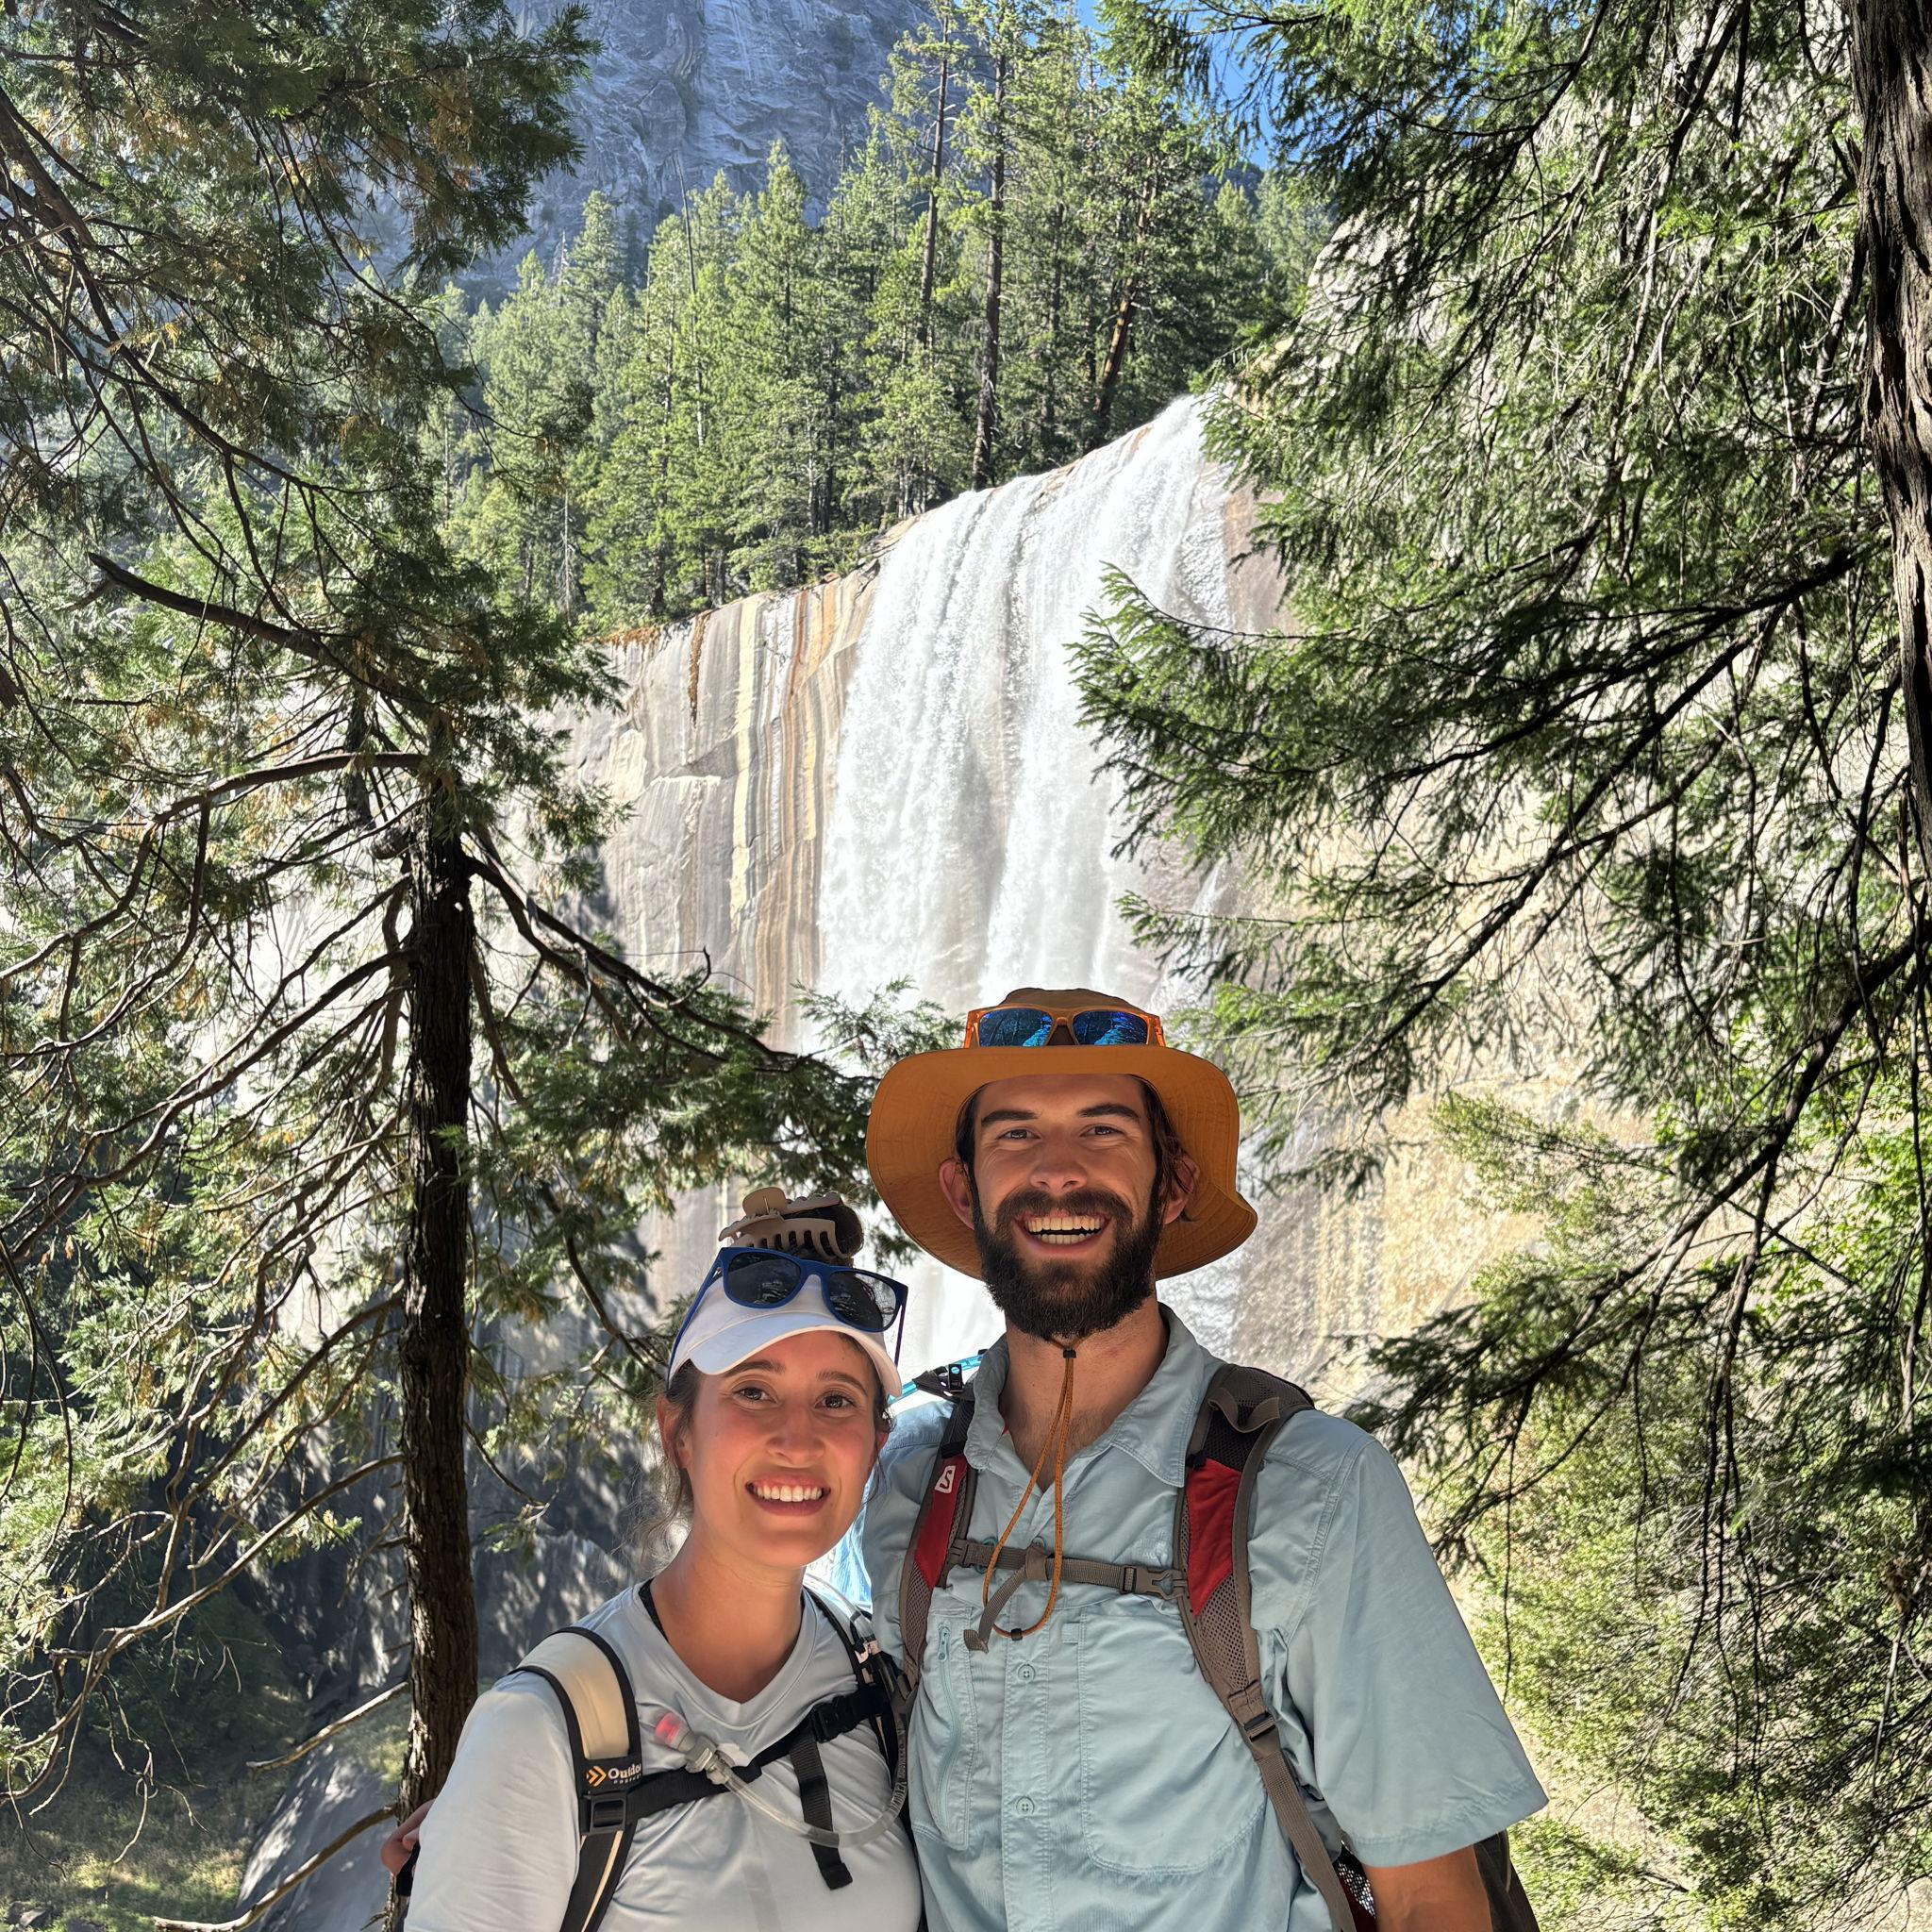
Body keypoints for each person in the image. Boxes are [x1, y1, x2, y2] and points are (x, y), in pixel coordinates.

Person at [855, 987, 1549, 1932]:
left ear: (1170, 1185)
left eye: (1103, 1131)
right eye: (1014, 1135)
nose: (1058, 1171)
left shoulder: (1311, 1489)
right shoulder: (905, 1478)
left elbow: (1432, 1899)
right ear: (960, 1188)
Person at [386, 1190, 924, 1932]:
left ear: (875, 1444)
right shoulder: (539, 1736)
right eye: (754, 1391)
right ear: (678, 1430)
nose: (799, 1440)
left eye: (836, 1401)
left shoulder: (880, 1680)